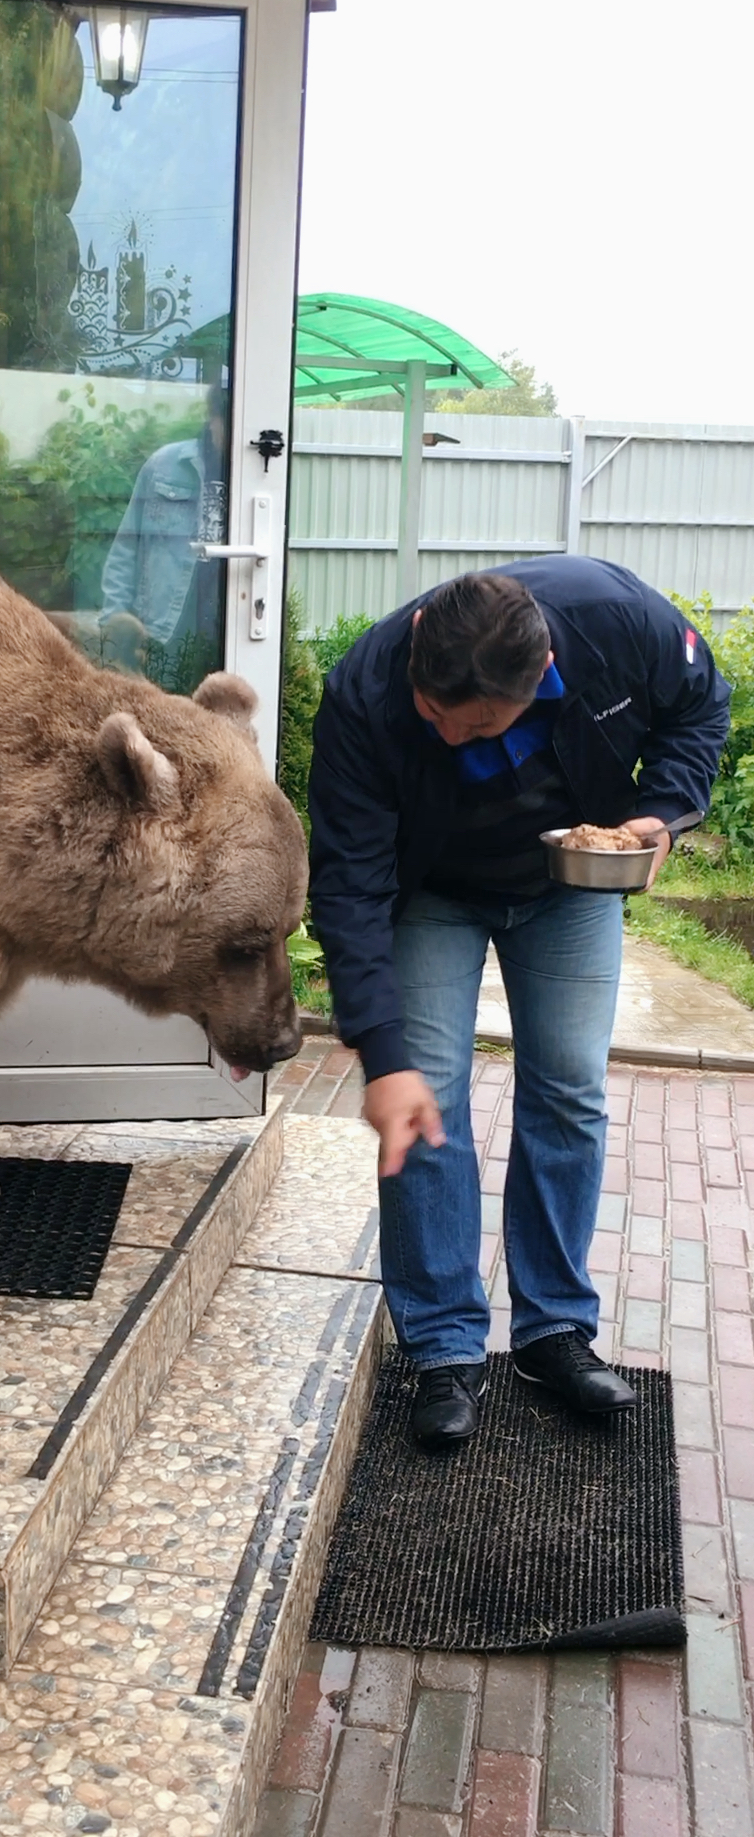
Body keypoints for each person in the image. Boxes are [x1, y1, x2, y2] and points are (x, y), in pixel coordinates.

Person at [308, 558, 730, 1449]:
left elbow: (702, 707)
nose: (454, 739)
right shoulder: (366, 689)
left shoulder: (619, 619)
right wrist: (380, 1054)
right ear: (420, 649)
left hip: (570, 884)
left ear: (539, 676)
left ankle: (552, 1331)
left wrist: (662, 812)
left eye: (481, 725)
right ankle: (442, 1344)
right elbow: (346, 883)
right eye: (436, 719)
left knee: (570, 1087)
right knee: (426, 1096)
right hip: (435, 892)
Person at [99, 383, 228, 681]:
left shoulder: (252, 477)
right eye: (225, 422)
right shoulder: (164, 466)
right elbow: (125, 551)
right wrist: (113, 632)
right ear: (212, 419)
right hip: (162, 633)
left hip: (226, 635)